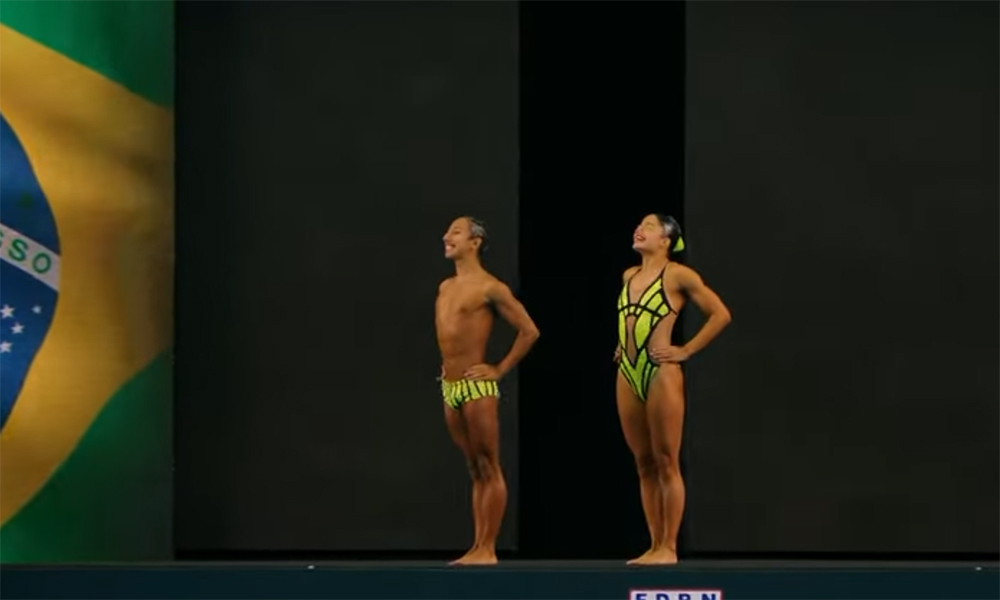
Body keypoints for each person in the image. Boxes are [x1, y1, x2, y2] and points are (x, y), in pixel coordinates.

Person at [615, 214, 731, 565]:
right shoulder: (629, 275)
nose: (639, 228)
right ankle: (653, 545)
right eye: (638, 224)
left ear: (666, 239)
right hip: (627, 372)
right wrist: (621, 345)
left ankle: (669, 547)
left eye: (648, 226)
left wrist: (686, 350)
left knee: (666, 460)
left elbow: (720, 314)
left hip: (661, 372)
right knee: (643, 462)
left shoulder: (678, 275)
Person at [435, 216, 540, 565]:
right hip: (451, 386)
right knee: (474, 467)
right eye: (448, 232)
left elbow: (529, 331)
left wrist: (499, 369)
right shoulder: (446, 288)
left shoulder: (490, 288)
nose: (447, 237)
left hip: (477, 386)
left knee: (488, 464)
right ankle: (477, 546)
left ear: (475, 242)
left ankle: (488, 548)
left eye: (456, 232)